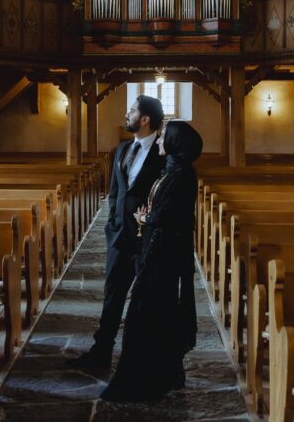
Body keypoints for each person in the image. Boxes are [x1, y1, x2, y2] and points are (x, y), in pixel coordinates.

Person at [100, 120, 203, 402]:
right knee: (155, 313)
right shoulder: (173, 169)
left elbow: (172, 215)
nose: (159, 141)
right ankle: (161, 371)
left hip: (163, 255)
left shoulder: (181, 174)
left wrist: (147, 218)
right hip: (157, 250)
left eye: (163, 138)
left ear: (174, 143)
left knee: (145, 314)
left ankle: (144, 377)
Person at [68, 95, 165, 376]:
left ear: (144, 119)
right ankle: (100, 354)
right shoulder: (123, 149)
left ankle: (144, 361)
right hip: (120, 238)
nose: (127, 114)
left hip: (147, 242)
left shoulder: (162, 154)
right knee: (112, 298)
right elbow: (114, 193)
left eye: (132, 111)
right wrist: (112, 226)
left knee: (147, 303)